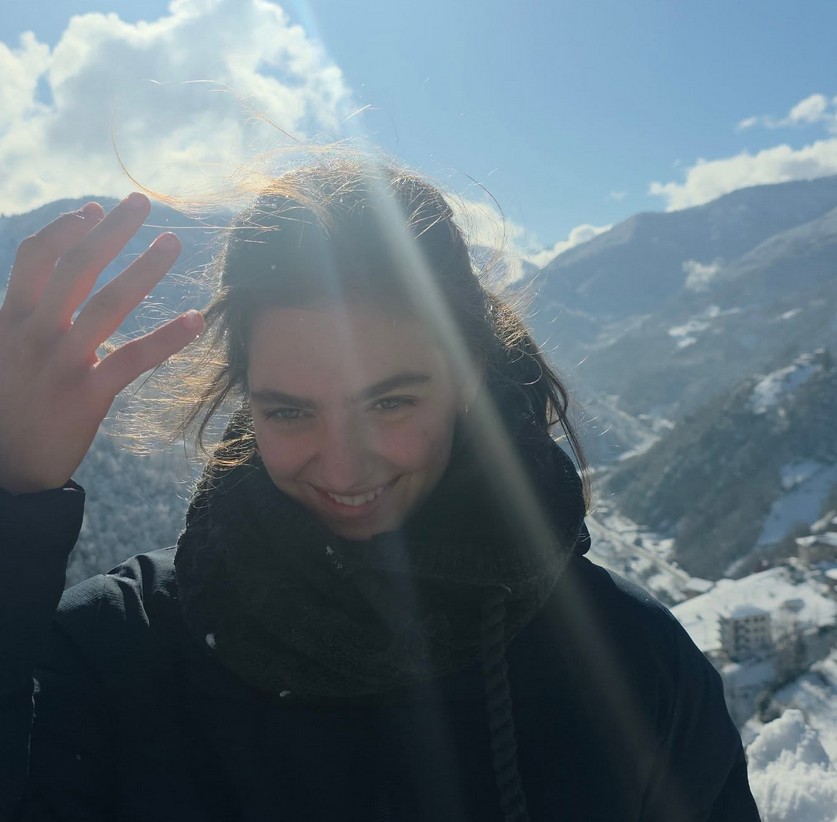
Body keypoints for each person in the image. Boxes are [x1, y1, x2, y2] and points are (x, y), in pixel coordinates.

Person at [0, 157, 760, 821]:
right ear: (247, 402)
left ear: (467, 378)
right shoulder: (110, 657)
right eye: (289, 411)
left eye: (390, 403)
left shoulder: (631, 669)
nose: (342, 469)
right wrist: (13, 499)